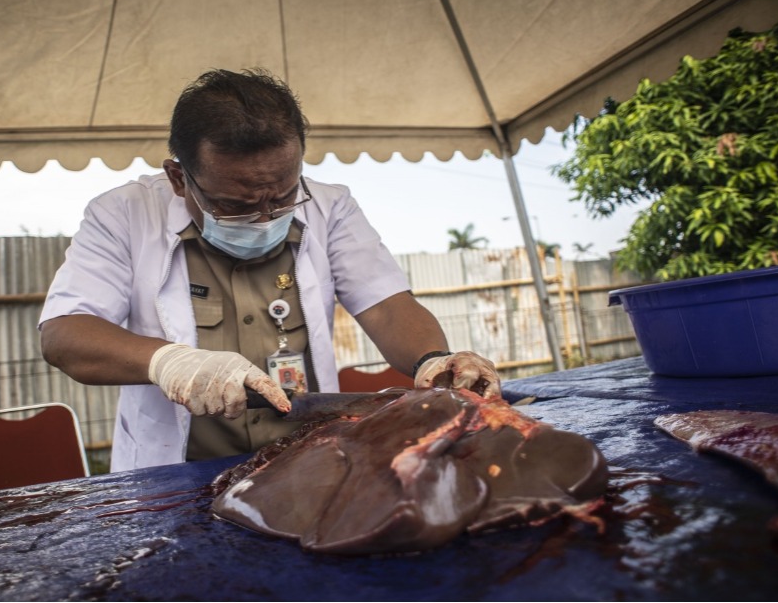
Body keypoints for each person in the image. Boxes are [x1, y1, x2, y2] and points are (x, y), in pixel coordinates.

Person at [39, 68, 500, 472]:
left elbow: (385, 305)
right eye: (235, 205)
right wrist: (169, 362)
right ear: (179, 178)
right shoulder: (123, 214)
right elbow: (65, 335)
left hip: (309, 461)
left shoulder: (331, 206)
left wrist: (432, 360)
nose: (264, 217)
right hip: (179, 475)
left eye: (282, 197)